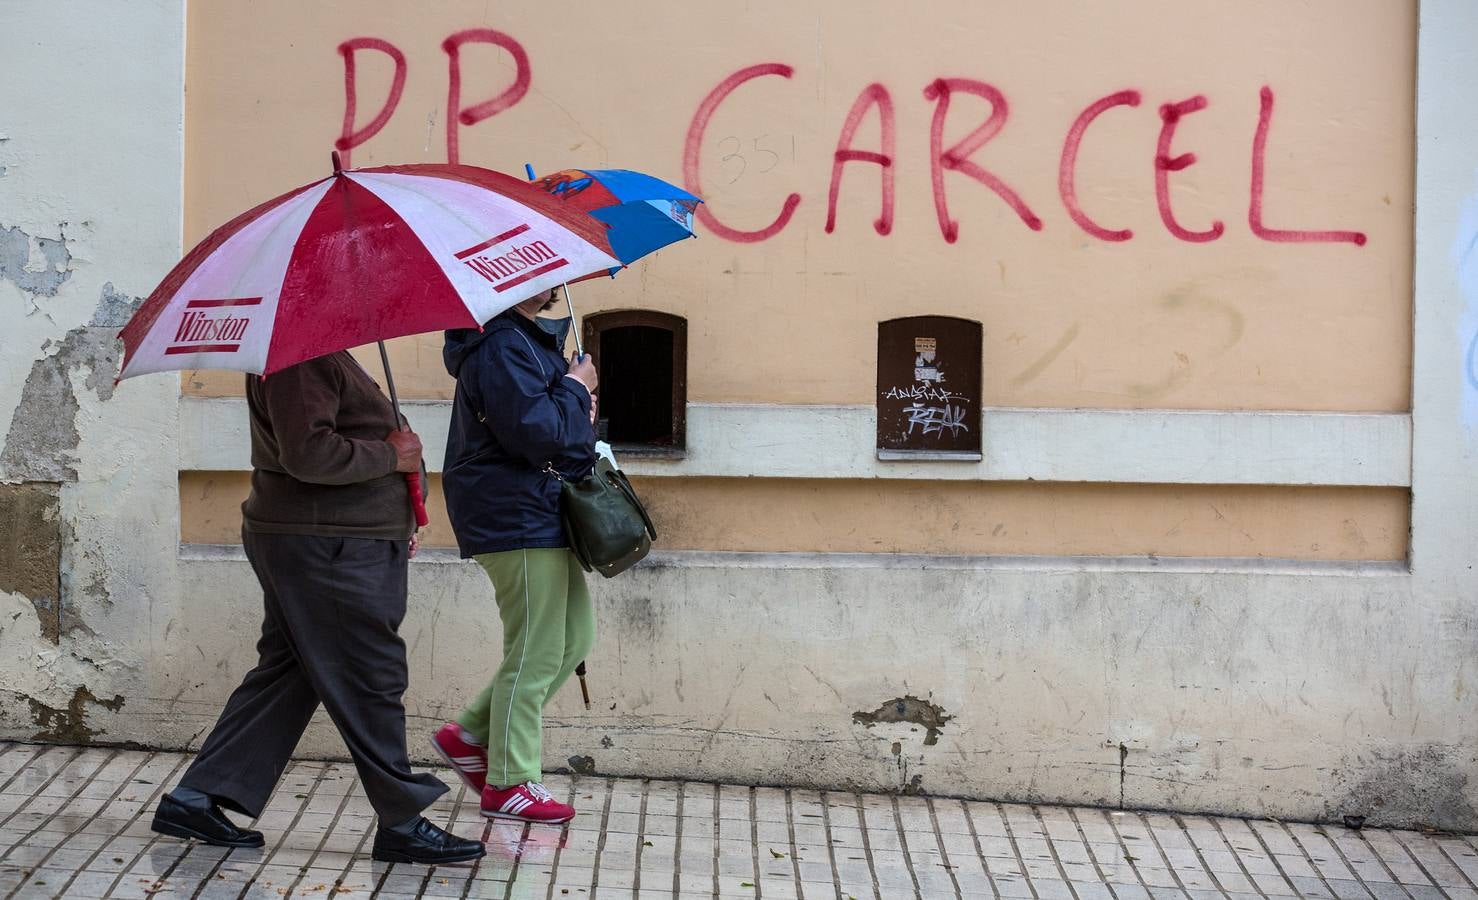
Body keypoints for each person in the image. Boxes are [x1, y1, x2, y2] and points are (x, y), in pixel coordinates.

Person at [150, 351, 484, 865]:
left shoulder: (323, 353)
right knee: (369, 675)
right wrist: (390, 457)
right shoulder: (300, 359)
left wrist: (396, 503)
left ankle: (197, 798)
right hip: (330, 544)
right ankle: (401, 820)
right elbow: (308, 454)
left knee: (292, 671)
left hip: (333, 537)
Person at [432, 287, 598, 824]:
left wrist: (577, 399)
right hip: (515, 513)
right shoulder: (501, 343)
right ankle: (509, 782)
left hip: (541, 509)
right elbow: (535, 435)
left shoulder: (524, 341)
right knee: (535, 651)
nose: (555, 279)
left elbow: (559, 434)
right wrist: (575, 389)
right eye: (544, 269)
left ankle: (472, 735)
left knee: (572, 639)